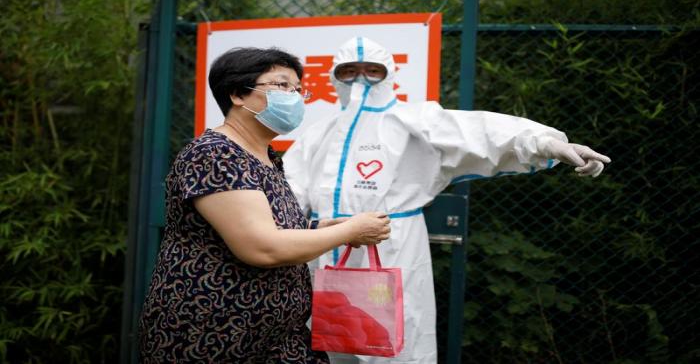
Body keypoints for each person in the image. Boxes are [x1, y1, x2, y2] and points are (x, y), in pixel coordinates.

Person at [282, 36, 611, 364]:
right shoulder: (319, 133)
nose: (360, 79)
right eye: (349, 71)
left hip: (391, 246)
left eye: (372, 70)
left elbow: (481, 132)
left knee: (397, 341)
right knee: (332, 340)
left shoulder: (416, 120)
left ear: (390, 73)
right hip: (325, 249)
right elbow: (287, 194)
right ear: (335, 77)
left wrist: (547, 144)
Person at [138, 47, 392, 363]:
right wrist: (351, 229)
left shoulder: (267, 158)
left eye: (299, 89)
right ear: (237, 95)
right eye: (282, 85)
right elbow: (262, 247)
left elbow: (269, 227)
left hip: (276, 338)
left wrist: (319, 228)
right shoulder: (216, 155)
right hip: (216, 337)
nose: (295, 96)